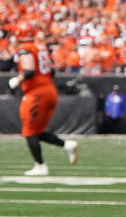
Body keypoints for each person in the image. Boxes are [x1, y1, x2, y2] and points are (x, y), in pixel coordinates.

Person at [8, 23, 78, 175]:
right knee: (36, 131)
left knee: (28, 130)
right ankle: (66, 145)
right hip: (49, 89)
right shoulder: (40, 47)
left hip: (37, 92)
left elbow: (29, 71)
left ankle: (40, 166)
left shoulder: (25, 48)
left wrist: (17, 80)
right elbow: (51, 72)